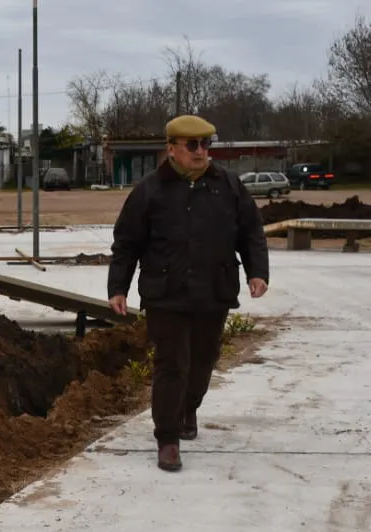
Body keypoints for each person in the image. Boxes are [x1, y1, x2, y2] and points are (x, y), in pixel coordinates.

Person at [106, 114, 269, 472]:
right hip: (167, 292)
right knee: (171, 362)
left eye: (206, 144)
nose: (201, 152)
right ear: (172, 149)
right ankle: (167, 438)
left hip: (214, 289)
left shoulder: (228, 186)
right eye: (192, 145)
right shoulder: (149, 190)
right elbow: (127, 243)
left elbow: (251, 232)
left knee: (204, 358)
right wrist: (118, 287)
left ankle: (189, 408)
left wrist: (257, 271)